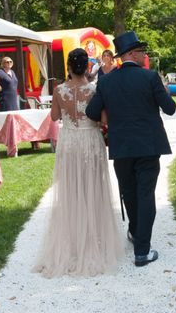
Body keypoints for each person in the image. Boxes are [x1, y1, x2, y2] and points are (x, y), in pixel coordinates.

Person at [86, 31, 176, 267]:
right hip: (148, 146)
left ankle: (136, 233)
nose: (145, 54)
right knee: (145, 195)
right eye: (141, 51)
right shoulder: (150, 78)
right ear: (131, 54)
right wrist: (164, 91)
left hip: (122, 146)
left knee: (130, 193)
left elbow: (91, 112)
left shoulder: (106, 81)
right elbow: (170, 109)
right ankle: (142, 250)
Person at [34, 49, 122, 277]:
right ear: (87, 66)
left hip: (70, 143)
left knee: (72, 190)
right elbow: (103, 119)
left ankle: (73, 243)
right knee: (93, 189)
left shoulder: (59, 90)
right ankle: (94, 242)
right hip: (90, 141)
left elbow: (54, 117)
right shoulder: (95, 89)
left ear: (69, 67)